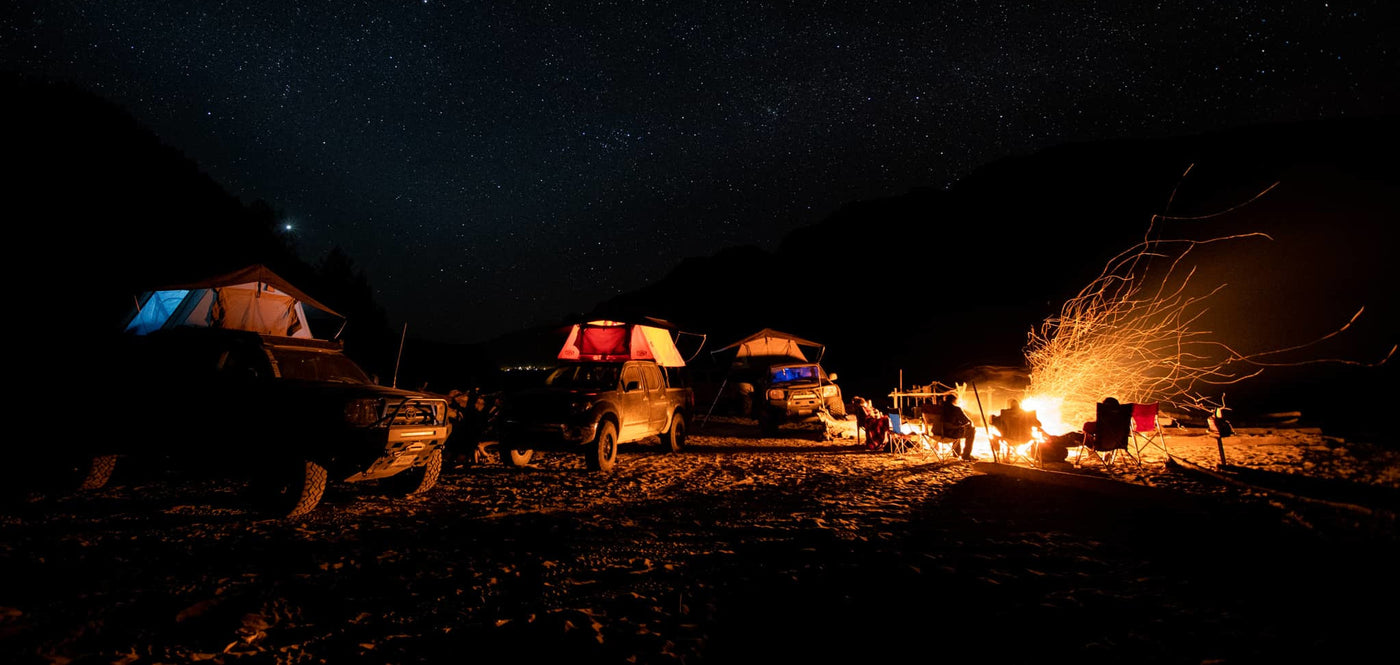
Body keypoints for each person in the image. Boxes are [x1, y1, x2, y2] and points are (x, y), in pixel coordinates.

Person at [991, 398, 1044, 462]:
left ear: (1010, 406)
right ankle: (1038, 460)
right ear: (1019, 405)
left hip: (1009, 439)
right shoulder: (1028, 415)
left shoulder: (1005, 414)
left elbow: (993, 422)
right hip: (1026, 439)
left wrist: (992, 417)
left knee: (994, 436)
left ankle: (999, 456)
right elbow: (1039, 424)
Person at [939, 393, 977, 460]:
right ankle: (966, 455)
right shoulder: (956, 409)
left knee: (956, 428)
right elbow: (966, 421)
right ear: (954, 400)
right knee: (971, 431)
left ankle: (956, 452)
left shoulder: (938, 409)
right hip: (950, 434)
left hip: (938, 433)